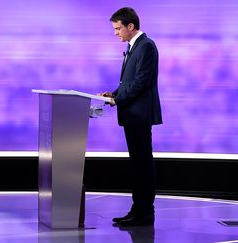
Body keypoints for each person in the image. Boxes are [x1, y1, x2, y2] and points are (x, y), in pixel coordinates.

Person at [100, 7, 162, 226]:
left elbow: (141, 83)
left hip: (140, 114)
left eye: (118, 28)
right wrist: (113, 94)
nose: (116, 33)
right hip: (132, 114)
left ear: (130, 26)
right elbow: (128, 83)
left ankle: (145, 213)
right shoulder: (133, 46)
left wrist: (118, 99)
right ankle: (137, 210)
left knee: (143, 164)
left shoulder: (146, 46)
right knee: (137, 164)